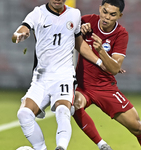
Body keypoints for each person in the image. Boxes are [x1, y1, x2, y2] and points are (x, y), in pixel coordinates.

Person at [12, 0, 102, 150]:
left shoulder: (74, 14)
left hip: (64, 76)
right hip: (41, 78)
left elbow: (79, 43)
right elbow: (20, 30)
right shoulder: (38, 13)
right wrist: (18, 35)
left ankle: (61, 147)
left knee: (62, 110)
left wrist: (99, 62)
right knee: (24, 114)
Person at [73, 0, 141, 150]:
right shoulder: (86, 20)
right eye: (104, 12)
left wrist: (101, 51)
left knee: (137, 127)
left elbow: (114, 68)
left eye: (112, 15)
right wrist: (78, 29)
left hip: (105, 88)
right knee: (75, 104)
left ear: (120, 15)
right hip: (83, 86)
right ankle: (102, 145)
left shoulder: (121, 34)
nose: (106, 17)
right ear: (100, 8)